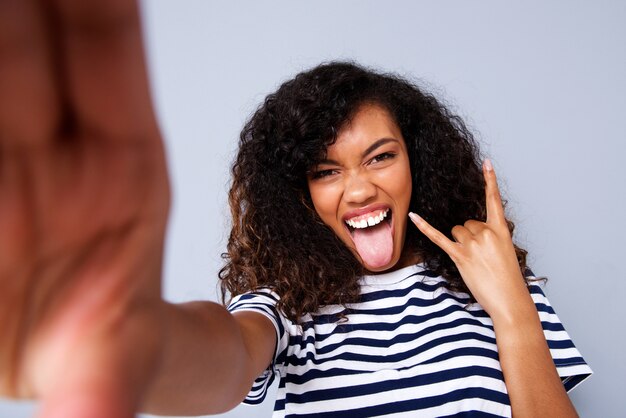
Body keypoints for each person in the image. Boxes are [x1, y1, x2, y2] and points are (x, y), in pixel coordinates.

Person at [0, 1, 590, 418]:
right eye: (326, 172)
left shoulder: (500, 286)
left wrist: (511, 306)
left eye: (380, 157)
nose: (357, 192)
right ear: (300, 193)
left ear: (419, 163)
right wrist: (138, 337)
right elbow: (225, 356)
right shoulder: (290, 301)